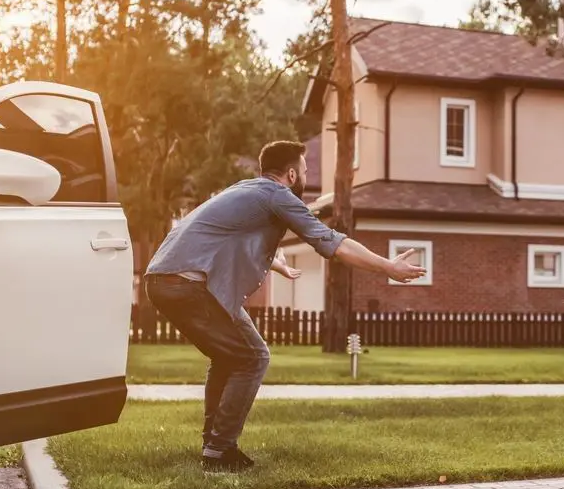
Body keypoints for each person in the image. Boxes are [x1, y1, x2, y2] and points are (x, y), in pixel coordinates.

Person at [143, 140, 425, 472]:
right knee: (252, 357)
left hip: (162, 279)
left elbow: (222, 236)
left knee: (229, 357)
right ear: (291, 174)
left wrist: (275, 264)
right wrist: (387, 266)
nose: (306, 176)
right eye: (305, 171)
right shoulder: (278, 196)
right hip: (189, 284)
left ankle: (214, 445)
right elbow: (330, 241)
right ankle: (219, 451)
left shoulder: (245, 190)